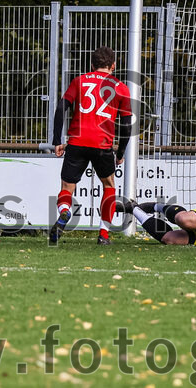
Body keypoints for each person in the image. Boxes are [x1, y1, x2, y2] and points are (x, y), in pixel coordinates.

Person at [49, 46, 133, 246]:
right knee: (109, 186)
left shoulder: (79, 81)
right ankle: (103, 235)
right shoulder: (120, 87)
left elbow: (61, 107)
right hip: (102, 144)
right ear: (113, 65)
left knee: (67, 187)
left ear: (92, 65)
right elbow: (127, 125)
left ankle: (65, 212)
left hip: (77, 142)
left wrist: (57, 140)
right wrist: (120, 153)